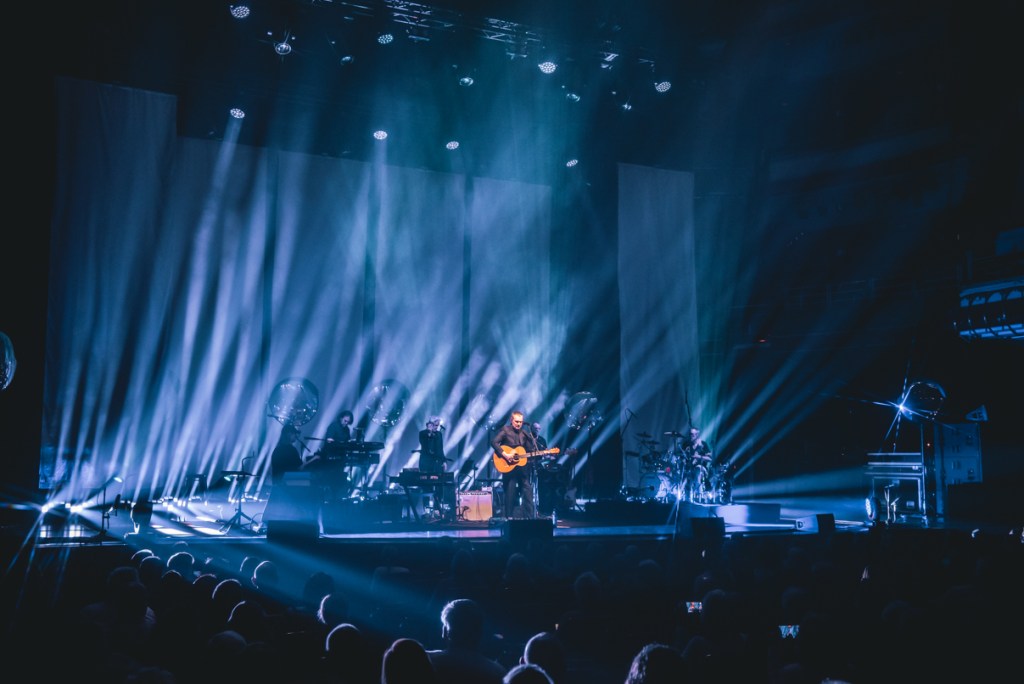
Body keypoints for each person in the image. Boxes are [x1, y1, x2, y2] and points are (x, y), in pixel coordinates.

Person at [491, 410, 539, 519]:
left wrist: (539, 452)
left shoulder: (524, 434)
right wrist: (505, 454)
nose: (519, 424)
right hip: (509, 468)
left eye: (521, 422)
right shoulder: (505, 430)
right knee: (510, 493)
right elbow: (494, 442)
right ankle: (509, 519)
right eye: (517, 421)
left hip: (522, 469)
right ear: (511, 420)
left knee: (528, 492)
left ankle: (530, 519)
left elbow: (529, 450)